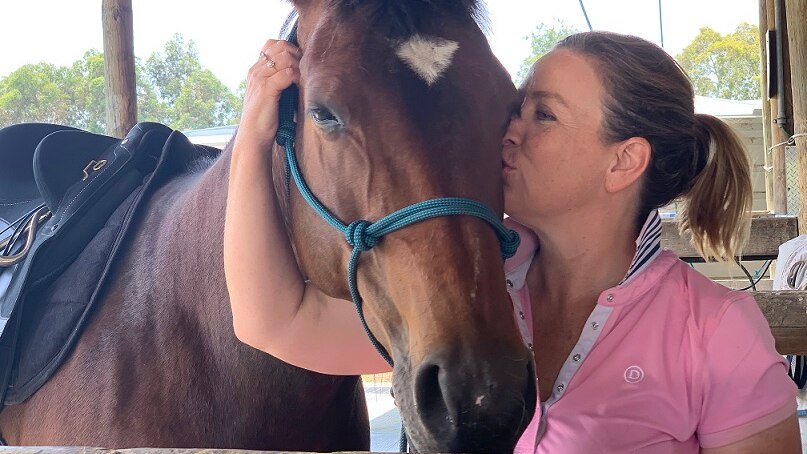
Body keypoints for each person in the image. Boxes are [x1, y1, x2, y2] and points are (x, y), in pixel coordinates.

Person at [224, 32, 801, 453]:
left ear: (624, 161)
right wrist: (252, 137)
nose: (510, 130)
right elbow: (272, 321)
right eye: (515, 108)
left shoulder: (716, 330)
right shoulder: (471, 296)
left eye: (544, 115)